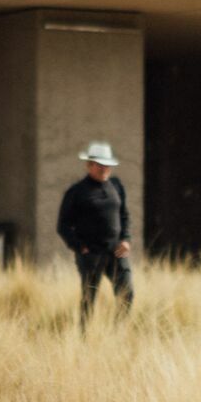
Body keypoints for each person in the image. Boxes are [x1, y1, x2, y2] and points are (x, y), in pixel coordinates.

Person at [57, 141, 133, 329]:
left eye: (107, 165)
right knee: (89, 298)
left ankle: (118, 333)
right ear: (89, 165)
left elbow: (124, 215)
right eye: (100, 165)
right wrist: (79, 247)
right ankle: (84, 336)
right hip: (91, 254)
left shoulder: (116, 186)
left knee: (127, 293)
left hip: (116, 252)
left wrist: (125, 240)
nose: (104, 169)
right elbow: (63, 226)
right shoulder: (76, 192)